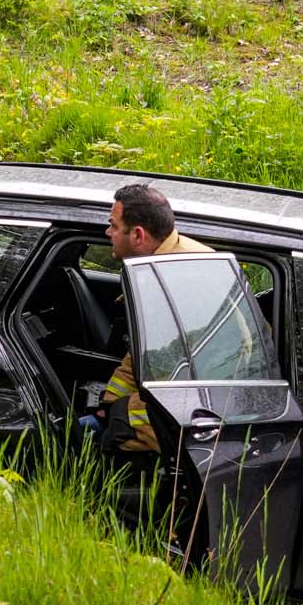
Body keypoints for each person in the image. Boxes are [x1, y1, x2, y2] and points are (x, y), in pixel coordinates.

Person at [85, 183, 210, 453]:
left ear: (138, 235)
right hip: (201, 392)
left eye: (113, 225)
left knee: (109, 446)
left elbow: (165, 367)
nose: (108, 232)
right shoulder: (170, 258)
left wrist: (118, 419)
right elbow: (143, 353)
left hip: (208, 408)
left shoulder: (173, 283)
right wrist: (107, 406)